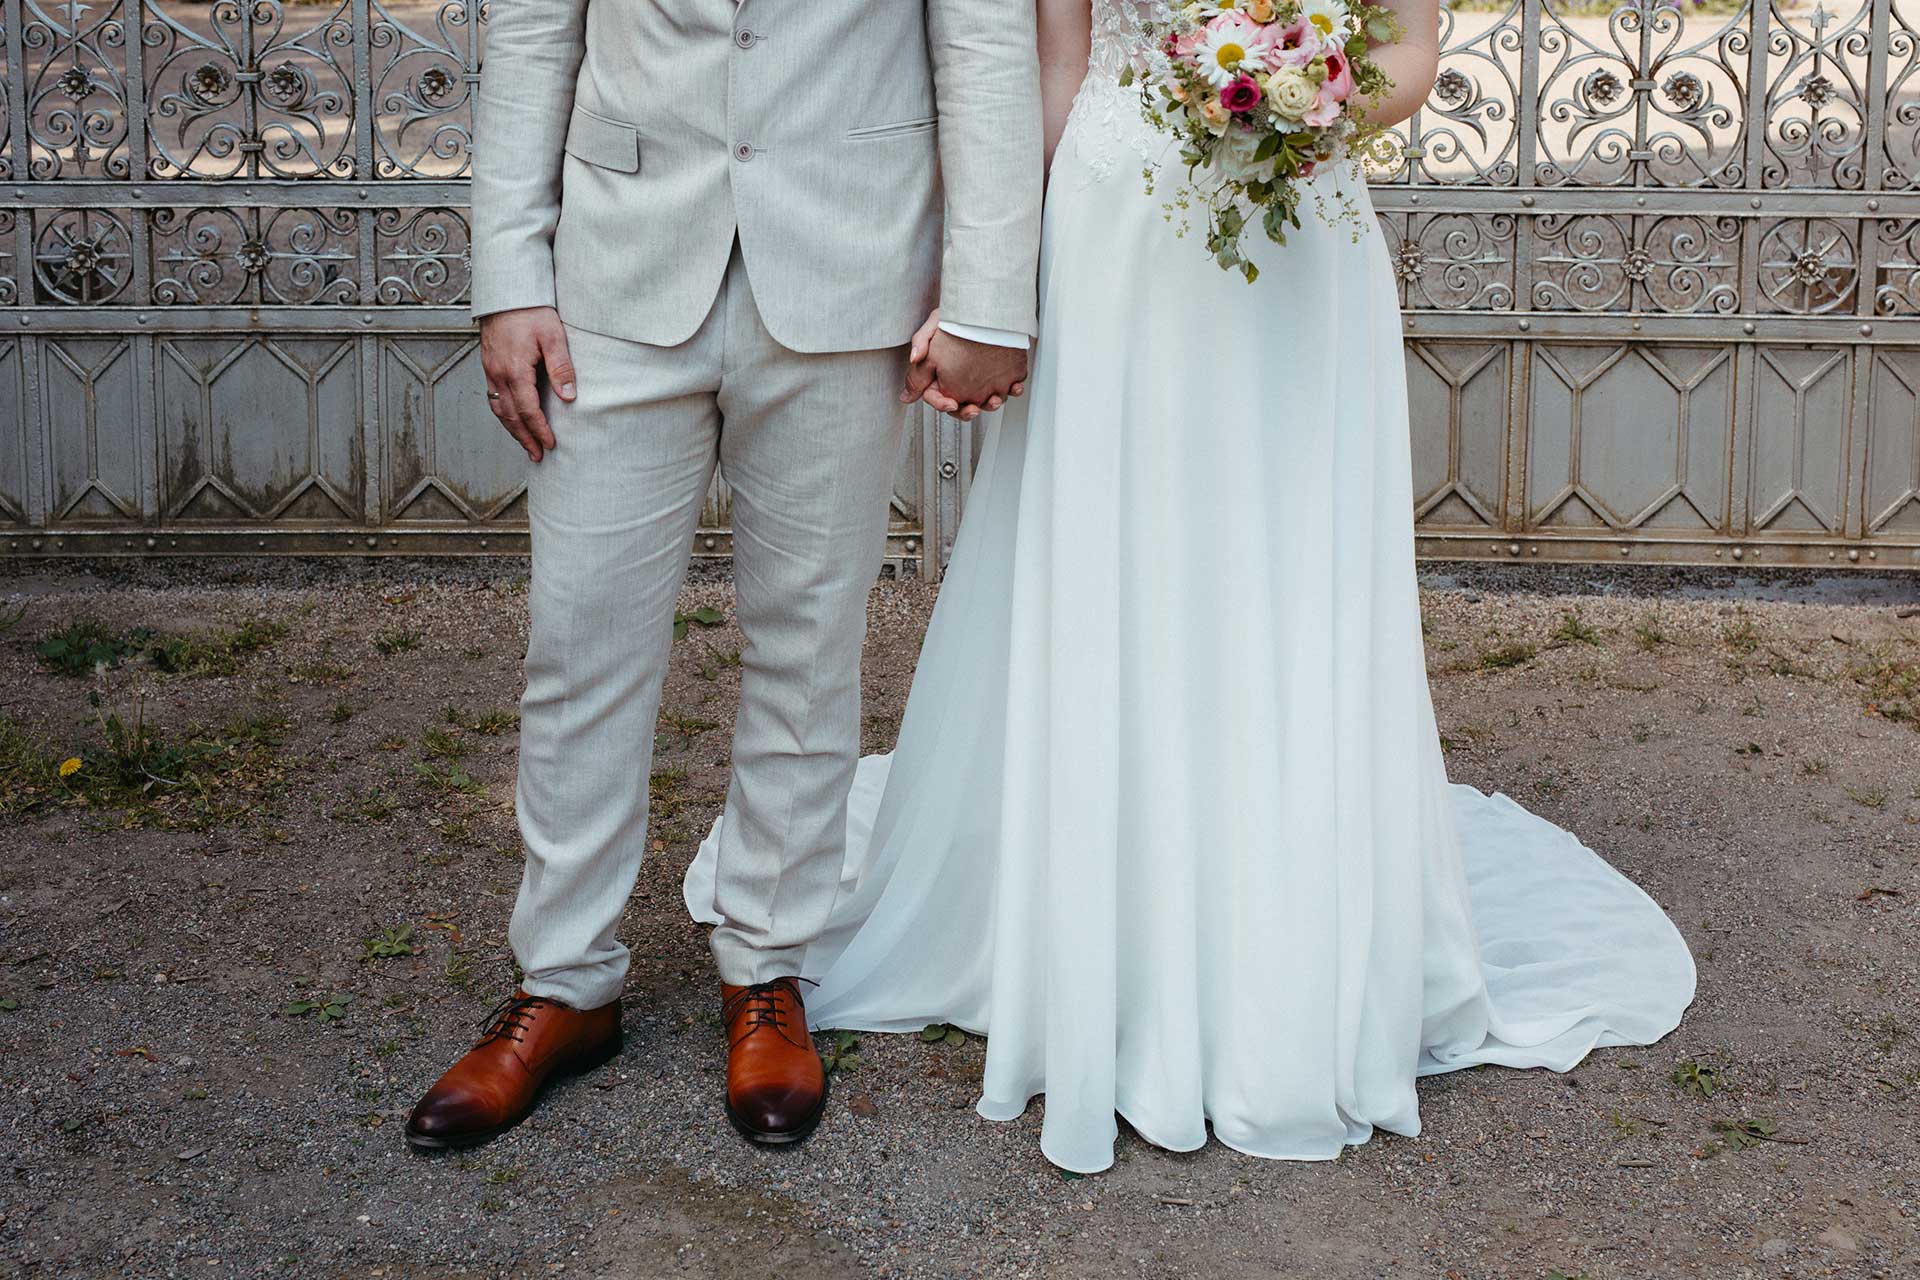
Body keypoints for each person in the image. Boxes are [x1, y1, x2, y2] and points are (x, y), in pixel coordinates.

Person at [684, 0, 1697, 1173]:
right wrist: (1000, 283)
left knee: (1275, 561)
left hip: (1299, 238)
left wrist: (1303, 95)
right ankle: (1099, 919)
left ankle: (1274, 933)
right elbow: (1058, 58)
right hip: (1118, 231)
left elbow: (1414, 54)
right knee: (1120, 556)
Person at [406, 0, 1044, 1151]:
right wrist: (508, 275)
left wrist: (992, 289)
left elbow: (985, 39)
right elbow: (537, 33)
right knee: (581, 640)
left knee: (808, 645)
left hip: (850, 258)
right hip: (615, 267)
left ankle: (766, 967)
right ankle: (563, 980)